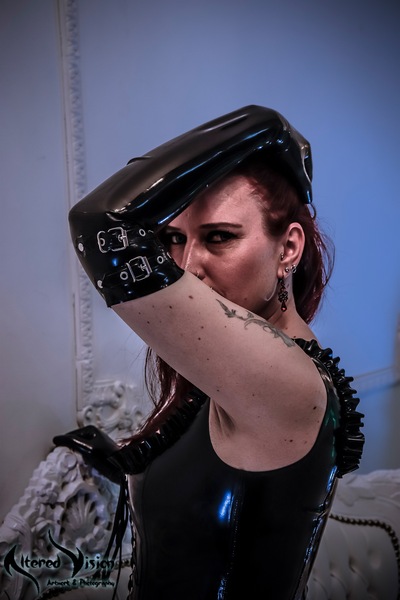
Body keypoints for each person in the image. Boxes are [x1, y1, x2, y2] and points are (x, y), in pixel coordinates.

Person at [55, 105, 364, 599]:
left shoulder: (285, 381)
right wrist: (125, 459)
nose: (187, 266)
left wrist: (262, 127)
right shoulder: (244, 369)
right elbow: (226, 493)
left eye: (219, 237)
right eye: (174, 240)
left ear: (288, 249)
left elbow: (101, 224)